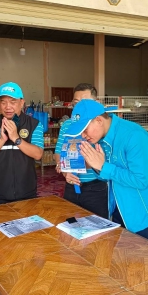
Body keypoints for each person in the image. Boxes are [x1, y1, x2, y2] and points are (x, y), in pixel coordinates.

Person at [65, 99, 148, 244]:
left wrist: (103, 166)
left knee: (141, 262)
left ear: (98, 120)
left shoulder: (134, 136)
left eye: (85, 130)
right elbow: (110, 177)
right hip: (121, 209)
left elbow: (140, 180)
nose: (83, 136)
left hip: (147, 215)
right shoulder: (100, 139)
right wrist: (96, 166)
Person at [0, 82, 44, 205]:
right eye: (3, 102)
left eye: (13, 102)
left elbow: (38, 154)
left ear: (21, 102)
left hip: (26, 190)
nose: (8, 106)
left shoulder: (34, 124)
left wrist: (16, 138)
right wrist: (1, 140)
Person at [54, 83, 108, 218]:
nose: (79, 107)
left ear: (96, 102)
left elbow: (101, 161)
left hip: (95, 187)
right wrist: (66, 172)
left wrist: (70, 164)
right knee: (71, 225)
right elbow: (58, 152)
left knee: (98, 229)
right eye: (76, 102)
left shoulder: (100, 126)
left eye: (85, 102)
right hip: (71, 185)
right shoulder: (67, 125)